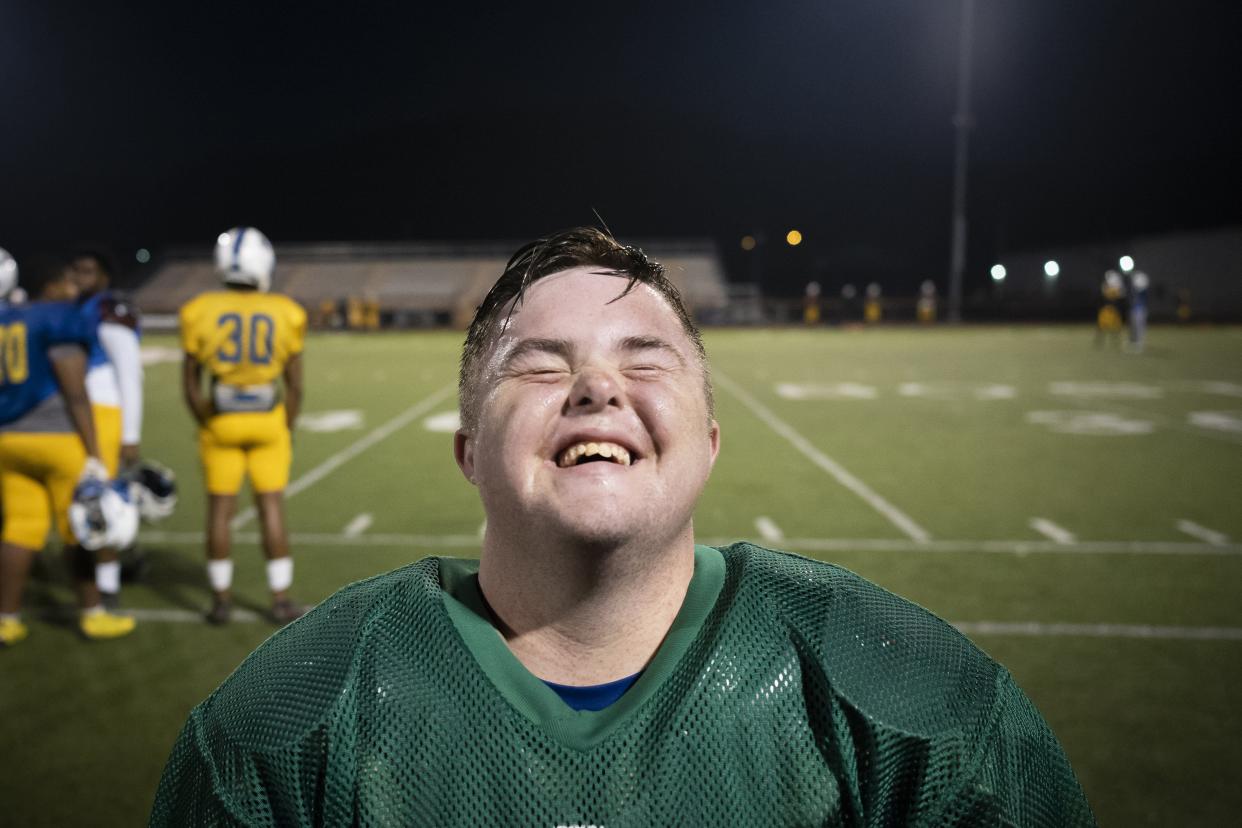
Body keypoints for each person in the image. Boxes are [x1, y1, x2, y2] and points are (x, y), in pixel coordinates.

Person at [151, 228, 1095, 825]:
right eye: (539, 365)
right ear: (470, 450)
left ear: (711, 441)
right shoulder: (288, 725)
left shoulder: (908, 707)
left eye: (645, 363)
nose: (598, 387)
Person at [0, 249, 136, 645]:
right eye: (68, 280)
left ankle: (6, 618)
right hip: (57, 437)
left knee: (19, 529)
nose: (73, 287)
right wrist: (94, 451)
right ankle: (93, 614)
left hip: (8, 438)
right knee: (80, 528)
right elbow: (76, 393)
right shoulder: (56, 316)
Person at [179, 227, 306, 625]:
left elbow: (189, 381)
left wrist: (205, 418)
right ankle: (281, 598)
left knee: (220, 510)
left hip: (221, 418)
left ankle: (220, 600)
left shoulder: (198, 309)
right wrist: (284, 424)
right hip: (267, 418)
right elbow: (295, 384)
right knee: (270, 506)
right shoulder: (286, 311)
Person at [59, 251, 146, 608]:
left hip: (104, 414)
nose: (80, 276)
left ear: (105, 276)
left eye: (88, 270)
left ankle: (108, 586)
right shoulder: (77, 307)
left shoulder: (109, 310)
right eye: (75, 268)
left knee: (103, 501)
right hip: (78, 416)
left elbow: (128, 372)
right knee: (81, 500)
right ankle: (98, 577)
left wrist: (130, 434)